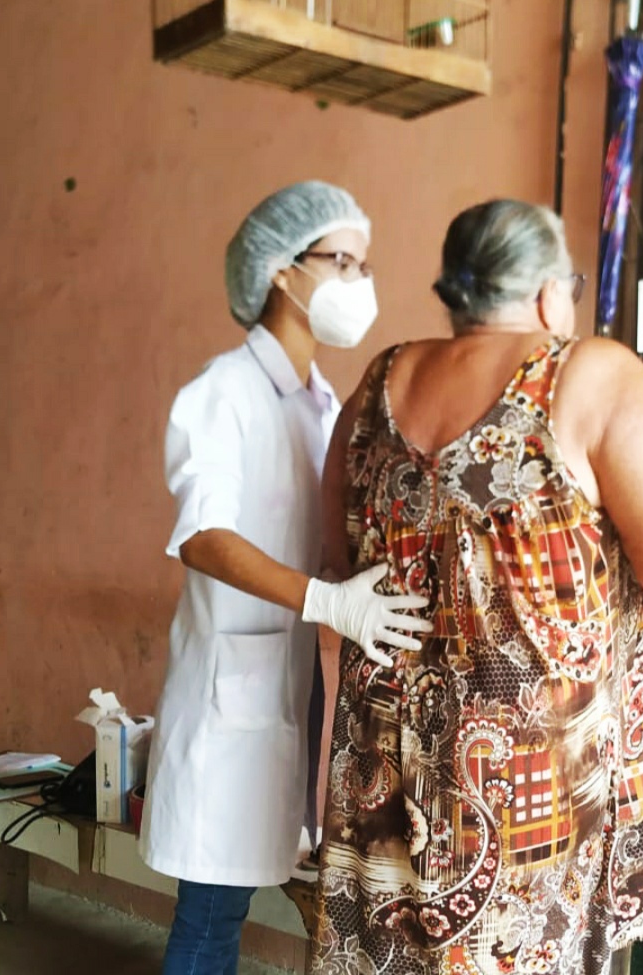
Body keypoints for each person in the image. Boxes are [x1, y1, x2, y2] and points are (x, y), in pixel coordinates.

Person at [312, 199, 643, 974]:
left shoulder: (376, 383)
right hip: (525, 804)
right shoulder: (587, 373)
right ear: (546, 293)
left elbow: (340, 561)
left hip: (387, 781)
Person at [140, 181, 432, 975]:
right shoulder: (220, 393)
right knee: (207, 914)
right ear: (281, 270)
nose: (356, 284)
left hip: (287, 684)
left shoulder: (319, 401)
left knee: (233, 901)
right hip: (229, 690)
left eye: (363, 266)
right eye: (340, 261)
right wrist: (325, 598)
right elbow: (202, 537)